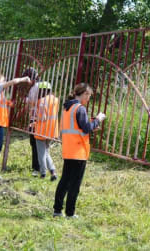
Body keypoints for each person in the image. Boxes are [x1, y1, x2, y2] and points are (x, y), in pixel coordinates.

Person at [53, 83, 106, 218]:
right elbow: (86, 128)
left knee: (64, 181)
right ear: (84, 94)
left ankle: (57, 210)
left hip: (68, 149)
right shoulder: (80, 108)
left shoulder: (67, 108)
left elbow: (79, 127)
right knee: (74, 185)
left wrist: (90, 124)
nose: (88, 99)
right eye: (89, 96)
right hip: (79, 151)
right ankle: (70, 213)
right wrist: (98, 120)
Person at [0, 74, 30, 158]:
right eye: (3, 80)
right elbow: (14, 81)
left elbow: (3, 104)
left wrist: (11, 103)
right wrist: (24, 78)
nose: (5, 82)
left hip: (0, 123)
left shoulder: (1, 93)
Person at [34, 81, 59, 181]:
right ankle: (53, 172)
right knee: (46, 152)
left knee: (41, 153)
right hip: (52, 131)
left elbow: (42, 117)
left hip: (42, 131)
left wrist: (34, 122)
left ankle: (43, 173)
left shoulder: (42, 101)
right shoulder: (56, 99)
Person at [22, 67, 41, 176]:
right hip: (40, 118)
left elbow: (32, 102)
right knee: (38, 143)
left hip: (36, 118)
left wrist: (24, 99)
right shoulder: (41, 85)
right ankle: (39, 166)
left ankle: (36, 168)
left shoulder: (35, 87)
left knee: (35, 143)